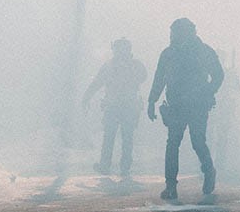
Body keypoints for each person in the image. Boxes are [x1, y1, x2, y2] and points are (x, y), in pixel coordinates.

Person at [147, 17, 225, 202]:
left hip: (197, 106)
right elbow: (160, 78)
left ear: (188, 32)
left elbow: (218, 75)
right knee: (173, 143)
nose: (172, 35)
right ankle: (171, 186)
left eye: (175, 31)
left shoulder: (203, 51)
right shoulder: (168, 54)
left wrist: (206, 92)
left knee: (197, 142)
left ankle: (208, 172)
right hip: (176, 106)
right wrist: (151, 101)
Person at [81, 38, 147, 180]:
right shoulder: (135, 65)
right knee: (126, 137)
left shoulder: (109, 66)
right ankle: (124, 167)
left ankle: (106, 165)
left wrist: (86, 97)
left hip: (114, 106)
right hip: (127, 106)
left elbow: (96, 83)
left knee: (110, 137)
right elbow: (143, 77)